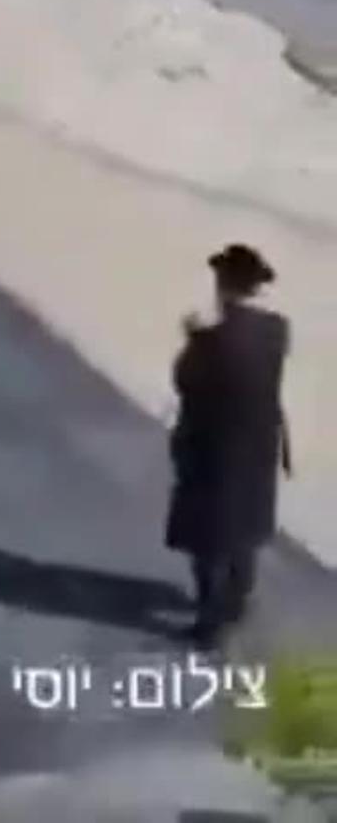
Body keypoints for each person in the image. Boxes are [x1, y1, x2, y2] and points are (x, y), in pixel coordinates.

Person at [166, 244, 291, 647]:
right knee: (245, 526)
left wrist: (192, 340)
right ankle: (238, 600)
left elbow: (187, 382)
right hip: (259, 445)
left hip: (213, 447)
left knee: (208, 536)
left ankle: (211, 619)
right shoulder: (277, 329)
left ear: (223, 284)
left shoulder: (212, 338)